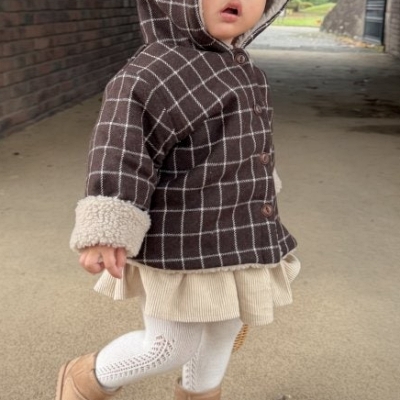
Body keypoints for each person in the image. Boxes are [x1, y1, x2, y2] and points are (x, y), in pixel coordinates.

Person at [56, 0, 300, 399]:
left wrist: (262, 186)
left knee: (224, 327)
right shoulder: (153, 72)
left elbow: (248, 144)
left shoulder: (245, 70)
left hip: (235, 229)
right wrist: (107, 228)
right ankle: (86, 378)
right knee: (170, 345)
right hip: (182, 238)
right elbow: (120, 149)